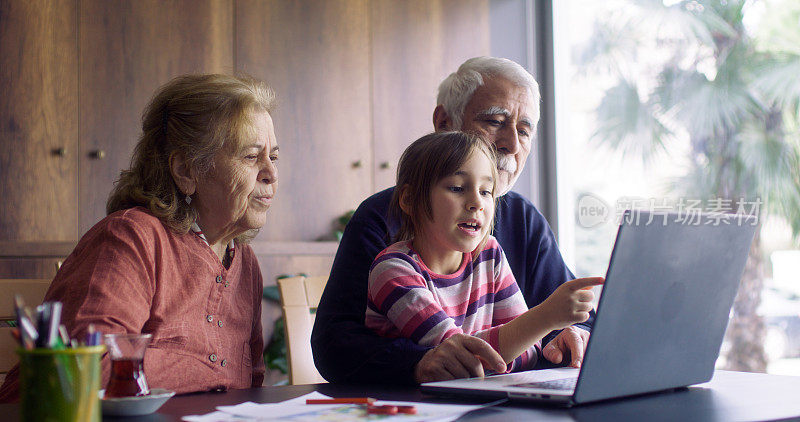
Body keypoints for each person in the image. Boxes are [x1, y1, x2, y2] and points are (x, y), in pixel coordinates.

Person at [312, 56, 596, 384]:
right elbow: (334, 347)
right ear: (445, 121)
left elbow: (563, 322)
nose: (511, 144)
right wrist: (419, 363)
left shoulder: (517, 225)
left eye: (524, 130)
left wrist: (567, 336)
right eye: (495, 122)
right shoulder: (381, 223)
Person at [0, 74, 279, 401]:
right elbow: (88, 370)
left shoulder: (245, 262)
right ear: (186, 171)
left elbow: (251, 384)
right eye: (250, 156)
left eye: (273, 156)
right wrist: (210, 368)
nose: (270, 173)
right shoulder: (131, 238)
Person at [365, 132, 602, 375]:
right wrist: (545, 317)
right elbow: (461, 359)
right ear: (409, 199)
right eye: (457, 188)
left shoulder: (488, 253)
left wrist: (513, 346)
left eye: (487, 191)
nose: (476, 203)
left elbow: (529, 352)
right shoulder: (392, 271)